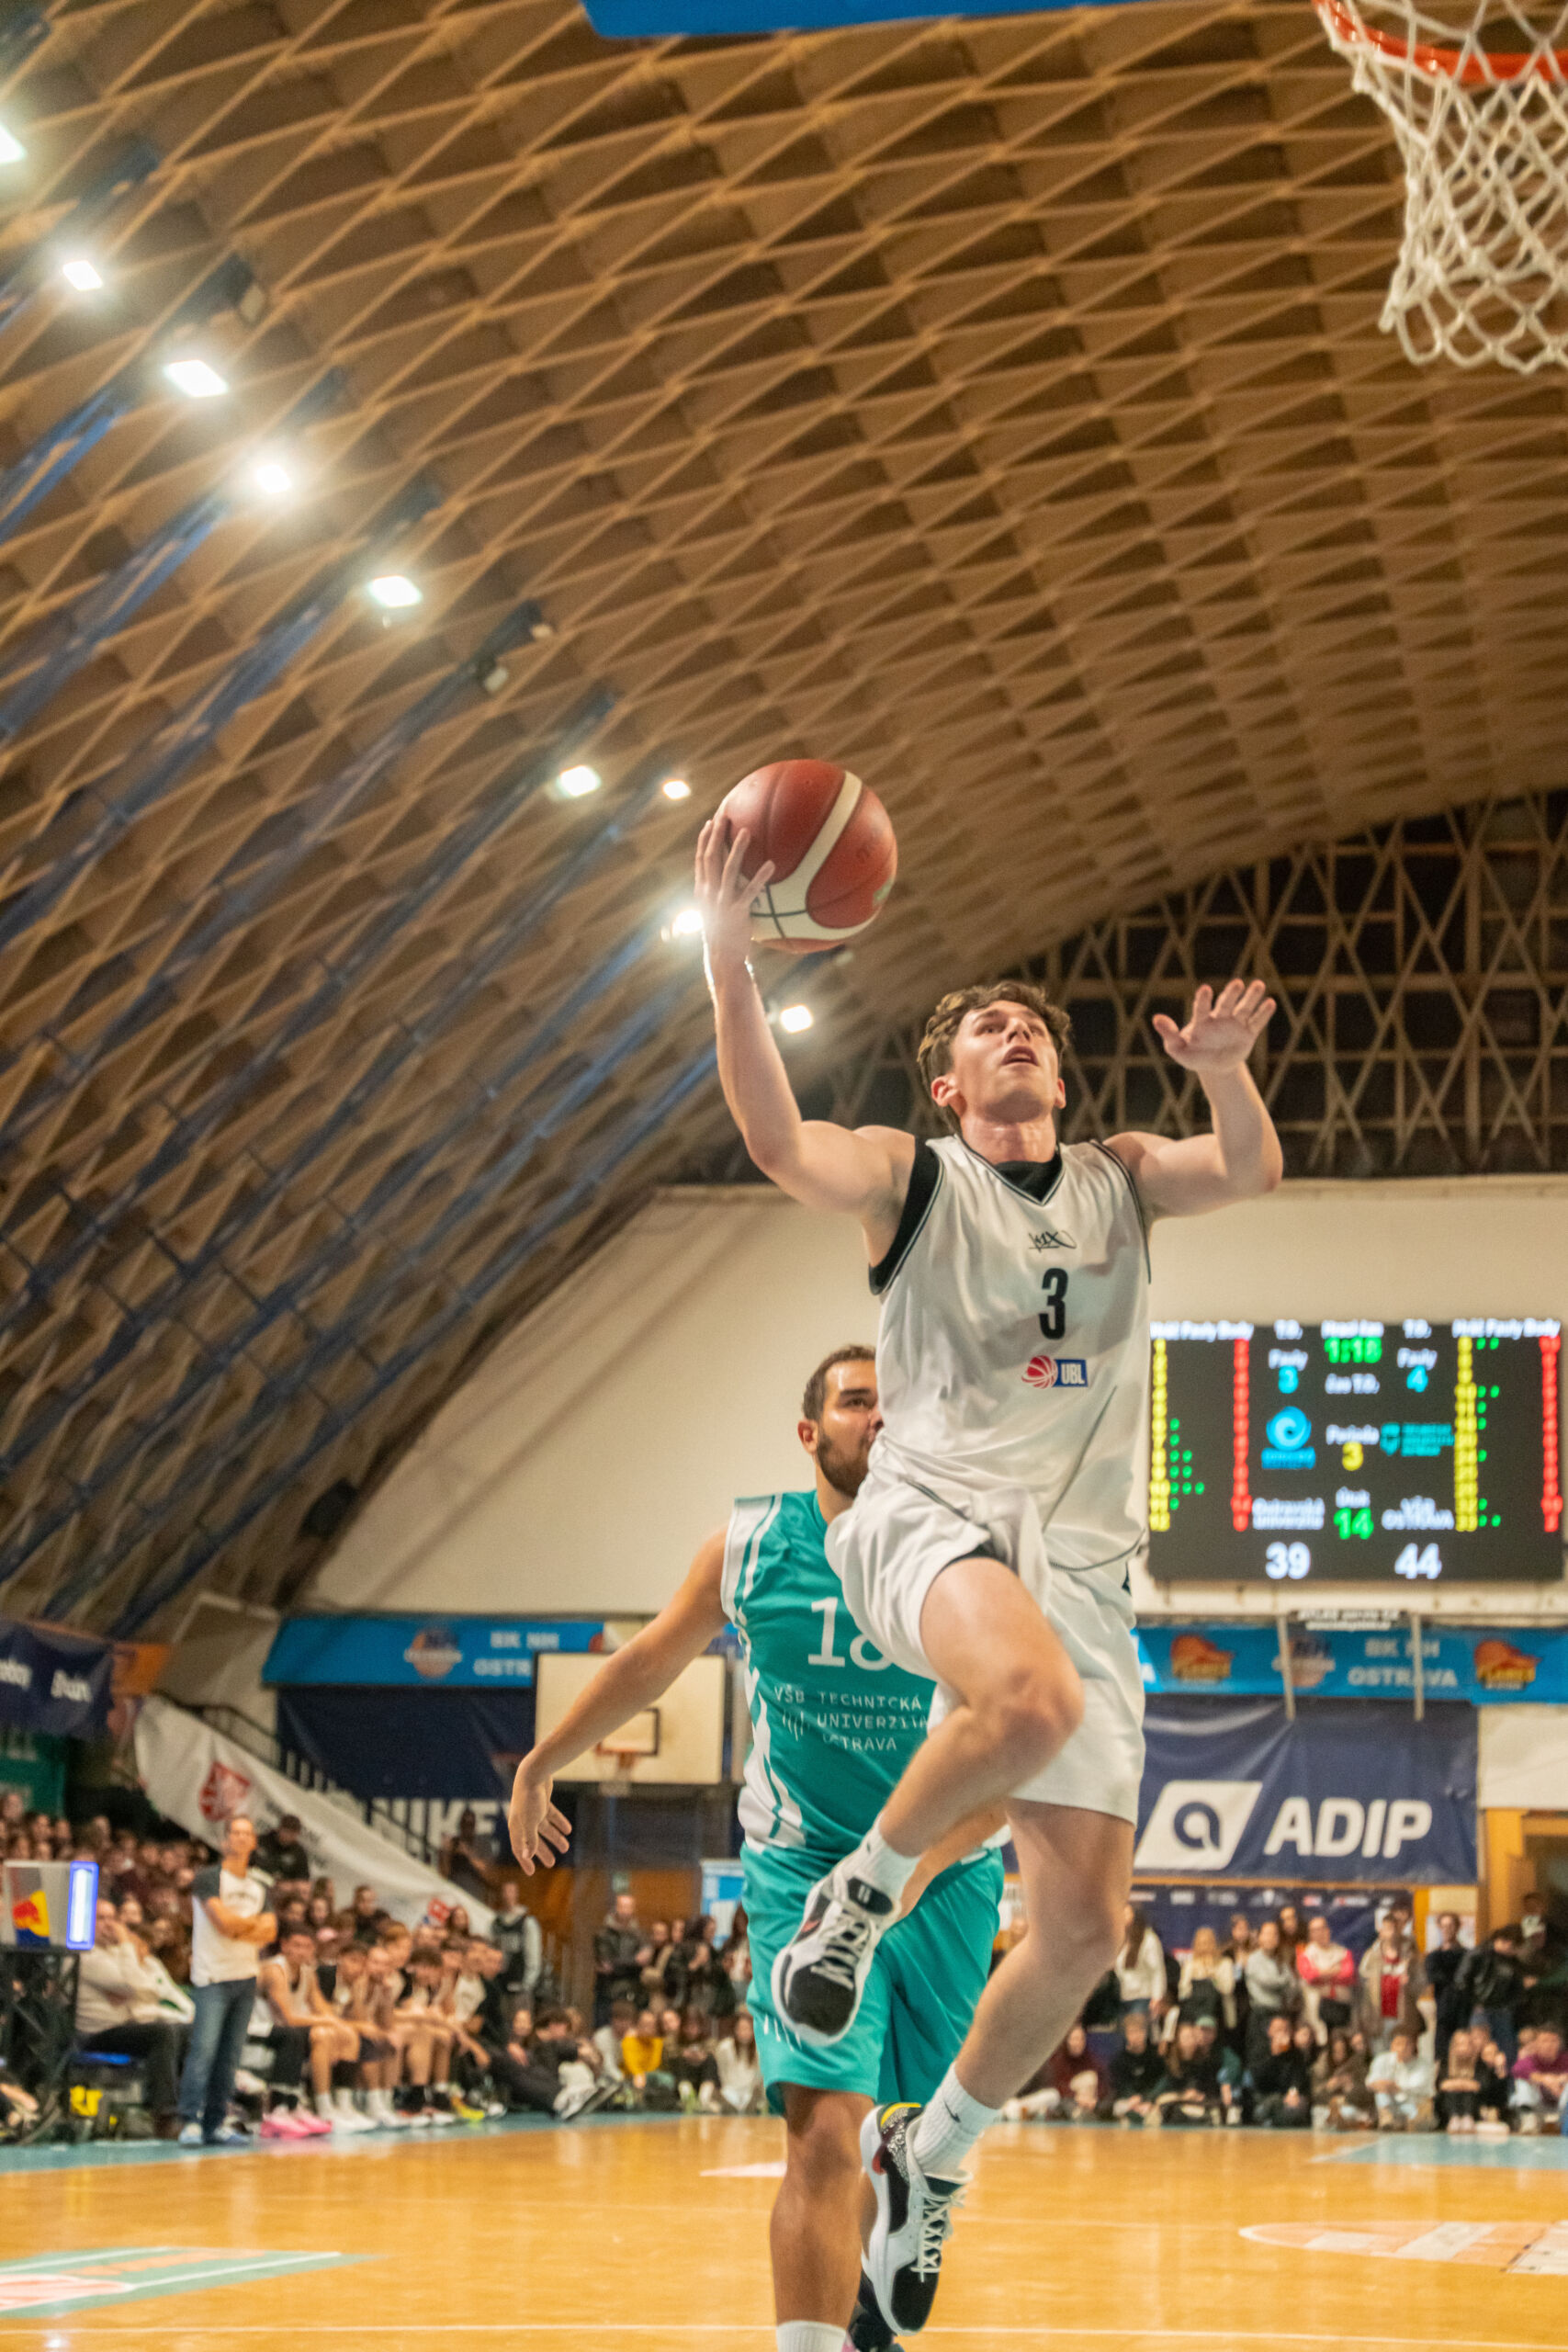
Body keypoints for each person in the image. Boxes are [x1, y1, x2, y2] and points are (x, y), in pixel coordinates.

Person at [693, 817, 1280, 2332]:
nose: (1014, 1035)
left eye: (1033, 1028)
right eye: (982, 1032)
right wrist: (725, 953)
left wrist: (1223, 1072)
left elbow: (1247, 1166)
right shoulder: (910, 1177)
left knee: (1082, 1930)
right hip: (929, 1517)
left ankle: (935, 2154)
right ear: (947, 1088)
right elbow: (778, 1142)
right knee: (1025, 1701)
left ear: (1062, 1080)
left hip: (1082, 1564)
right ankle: (853, 1903)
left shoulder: (1120, 1176)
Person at [508, 1344, 1006, 2352]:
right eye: (856, 1401)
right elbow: (651, 1657)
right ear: (810, 1432)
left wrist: (903, 1879)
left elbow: (1013, 1760)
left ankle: (871, 2307)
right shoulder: (750, 1544)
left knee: (904, 2140)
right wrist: (541, 1760)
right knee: (823, 2132)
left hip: (944, 1867)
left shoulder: (973, 1552)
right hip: (802, 1863)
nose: (878, 1417)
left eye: (892, 1403)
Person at [176, 1814, 275, 2145]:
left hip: (245, 1977)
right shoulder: (209, 1877)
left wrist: (239, 1927)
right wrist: (249, 1926)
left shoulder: (260, 1886)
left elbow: (270, 1931)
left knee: (230, 2056)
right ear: (224, 1840)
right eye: (236, 1833)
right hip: (212, 1976)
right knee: (203, 2050)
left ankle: (216, 2121)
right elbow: (222, 1923)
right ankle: (190, 2120)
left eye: (247, 1833)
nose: (241, 1838)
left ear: (254, 1842)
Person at [75, 1898, 188, 2134]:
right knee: (161, 2033)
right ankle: (162, 2114)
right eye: (100, 1918)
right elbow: (133, 1985)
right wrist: (127, 1944)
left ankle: (189, 2107)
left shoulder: (114, 1953)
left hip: (123, 2024)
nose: (109, 1925)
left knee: (187, 2032)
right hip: (96, 2033)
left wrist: (128, 1990)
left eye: (112, 1918)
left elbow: (149, 1989)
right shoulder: (87, 1954)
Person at [258, 1925, 374, 2134]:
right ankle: (324, 2106)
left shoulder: (307, 1972)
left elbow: (323, 2009)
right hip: (264, 2030)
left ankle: (343, 2105)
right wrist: (331, 2023)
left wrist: (341, 2026)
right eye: (297, 1945)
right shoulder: (275, 1970)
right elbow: (288, 2017)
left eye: (307, 1946)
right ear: (284, 1946)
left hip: (293, 2032)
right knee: (322, 2034)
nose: (302, 1951)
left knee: (346, 2034)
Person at [1457, 1927, 1527, 2063]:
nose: (1514, 1952)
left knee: (1507, 2049)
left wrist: (1510, 2004)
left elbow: (1517, 1988)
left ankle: (1504, 2075)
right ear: (1506, 1942)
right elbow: (1461, 1981)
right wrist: (1474, 2002)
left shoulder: (1512, 1961)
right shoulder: (1478, 1954)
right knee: (1480, 2047)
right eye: (1513, 1947)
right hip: (1480, 2008)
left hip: (1502, 2008)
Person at [1359, 1920, 1425, 2052]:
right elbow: (1362, 1979)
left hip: (1403, 2018)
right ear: (1381, 1932)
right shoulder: (1371, 1956)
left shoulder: (1410, 1955)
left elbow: (1422, 1984)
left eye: (1395, 1929)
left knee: (1402, 2056)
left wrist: (1409, 1983)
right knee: (1380, 2056)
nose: (1392, 1933)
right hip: (1378, 2018)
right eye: (1388, 1929)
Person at [1243, 1920, 1299, 2064]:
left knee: (1282, 2054)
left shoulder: (1281, 1961)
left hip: (1279, 2013)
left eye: (1274, 1934)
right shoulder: (1253, 1959)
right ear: (1260, 1937)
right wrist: (1284, 1981)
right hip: (1260, 2014)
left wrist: (1286, 1984)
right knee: (1260, 2055)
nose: (1271, 1938)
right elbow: (1268, 1982)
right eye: (1267, 1934)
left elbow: (1293, 1986)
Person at [1296, 1915, 1355, 2042]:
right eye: (1314, 1930)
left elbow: (1348, 1975)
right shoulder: (1305, 1954)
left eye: (1322, 1929)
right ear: (1310, 1934)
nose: (1319, 1933)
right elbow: (1310, 1976)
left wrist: (1321, 1974)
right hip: (1316, 2009)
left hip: (1340, 2005)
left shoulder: (1342, 1952)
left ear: (1328, 1930)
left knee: (1341, 2041)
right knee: (1320, 2039)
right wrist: (1334, 1970)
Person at [1424, 1910, 1469, 2075]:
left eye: (1450, 1925)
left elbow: (1468, 1980)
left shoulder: (1467, 1954)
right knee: (1442, 2052)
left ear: (1457, 1928)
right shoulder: (1433, 1956)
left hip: (1464, 2009)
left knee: (1463, 2047)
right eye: (1443, 1926)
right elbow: (1434, 1978)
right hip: (1443, 2009)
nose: (1447, 1929)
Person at [1154, 2020, 1223, 2127]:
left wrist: (1198, 2094)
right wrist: (1182, 2095)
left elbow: (1210, 2086)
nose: (1190, 2041)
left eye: (1193, 2037)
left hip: (1199, 2101)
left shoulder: (1204, 2061)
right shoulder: (1171, 2062)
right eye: (1186, 2037)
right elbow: (1164, 2087)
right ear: (1178, 2040)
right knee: (1162, 2103)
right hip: (1177, 2099)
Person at [1248, 2013, 1312, 2128]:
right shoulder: (1259, 2051)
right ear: (1269, 2032)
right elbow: (1258, 2079)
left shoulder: (1295, 2053)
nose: (1282, 2033)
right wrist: (1275, 2055)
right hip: (1264, 2098)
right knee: (1265, 2109)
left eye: (1286, 2030)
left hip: (1286, 2098)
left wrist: (1293, 2092)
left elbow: (1298, 2077)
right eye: (1278, 2030)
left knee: (1297, 2108)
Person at [1173, 1925, 1235, 2040]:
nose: (1205, 1947)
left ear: (1214, 1944)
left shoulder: (1225, 1963)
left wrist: (1213, 1976)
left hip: (1219, 2012)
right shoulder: (1189, 1965)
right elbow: (1183, 1993)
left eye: (1208, 1943)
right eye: (1201, 1943)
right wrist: (1197, 1976)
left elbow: (1228, 1989)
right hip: (1194, 2010)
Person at [1367, 2029, 1434, 2131]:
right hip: (1390, 2103)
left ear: (1414, 2045)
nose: (1403, 2048)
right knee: (1381, 2094)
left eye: (1407, 2044)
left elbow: (1415, 2086)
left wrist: (1393, 2086)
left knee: (1416, 2119)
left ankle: (1412, 2121)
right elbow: (1371, 2082)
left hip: (1413, 2103)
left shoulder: (1423, 2064)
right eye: (1399, 2044)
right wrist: (1382, 2085)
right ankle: (1387, 2120)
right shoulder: (1382, 2060)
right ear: (1392, 2045)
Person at [1105, 2010, 1163, 2124]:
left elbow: (1160, 2082)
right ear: (1126, 2035)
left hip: (1151, 2100)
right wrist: (1132, 2098)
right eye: (1132, 2032)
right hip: (1128, 2101)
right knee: (1117, 2107)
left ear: (1145, 2033)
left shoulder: (1155, 2056)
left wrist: (1146, 2098)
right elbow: (1120, 2085)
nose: (1136, 2036)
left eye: (1139, 2031)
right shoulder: (1118, 2060)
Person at [594, 1893, 644, 2024]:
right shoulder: (603, 1934)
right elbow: (607, 1964)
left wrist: (624, 1964)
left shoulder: (639, 1935)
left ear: (633, 1909)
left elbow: (644, 1963)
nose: (625, 1911)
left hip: (632, 1992)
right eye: (622, 1906)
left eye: (629, 1907)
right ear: (616, 1908)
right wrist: (634, 1962)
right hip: (607, 1991)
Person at [491, 1880, 543, 2002]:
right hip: (499, 1983)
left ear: (517, 1894)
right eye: (505, 1891)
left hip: (520, 1983)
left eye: (511, 1891)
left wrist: (528, 1983)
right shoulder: (496, 1922)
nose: (507, 1895)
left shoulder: (527, 1922)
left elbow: (533, 1953)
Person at [1511, 2023, 1568, 2133]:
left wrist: (1560, 2079)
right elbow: (1517, 2070)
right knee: (1522, 2082)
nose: (1549, 2045)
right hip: (1538, 2108)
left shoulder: (1565, 2058)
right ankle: (1528, 2122)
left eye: (1553, 2041)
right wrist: (1545, 2079)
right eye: (1544, 2041)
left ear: (1559, 2043)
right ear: (1536, 2044)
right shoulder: (1530, 2059)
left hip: (1562, 2107)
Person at [1313, 2030, 1373, 2131]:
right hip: (1327, 2107)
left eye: (1343, 2051)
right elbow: (1315, 2094)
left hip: (1351, 2107)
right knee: (1318, 2113)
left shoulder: (1357, 2065)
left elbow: (1367, 2095)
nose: (1340, 2055)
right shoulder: (1322, 2067)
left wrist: (1350, 2087)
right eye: (1336, 2051)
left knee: (1349, 2113)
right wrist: (1328, 2087)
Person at [1113, 1905, 1165, 2020]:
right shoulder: (1122, 1939)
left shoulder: (1148, 1939)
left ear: (1135, 1915)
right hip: (1124, 1996)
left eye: (1127, 1914)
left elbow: (1157, 1971)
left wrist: (1157, 1997)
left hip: (1142, 1997)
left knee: (1137, 2029)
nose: (1123, 1917)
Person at [717, 2012, 765, 2114]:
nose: (744, 2033)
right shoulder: (725, 2047)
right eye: (741, 2029)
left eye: (747, 2029)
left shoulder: (759, 2050)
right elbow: (721, 2072)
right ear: (735, 2030)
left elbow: (759, 2076)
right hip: (730, 2091)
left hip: (750, 2092)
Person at [1435, 2030, 1482, 2133]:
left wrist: (1456, 2083)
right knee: (1451, 2092)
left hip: (1473, 2108)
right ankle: (1454, 2117)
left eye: (1467, 2044)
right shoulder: (1445, 2063)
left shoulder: (1479, 2063)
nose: (1464, 2048)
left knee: (1467, 2093)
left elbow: (1480, 2085)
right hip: (1449, 2107)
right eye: (1460, 2044)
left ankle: (1467, 2117)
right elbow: (1441, 2085)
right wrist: (1465, 2084)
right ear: (1454, 2046)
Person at [254, 1814, 310, 1883]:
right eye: (286, 1831)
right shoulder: (263, 1840)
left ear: (297, 1834)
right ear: (279, 1828)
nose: (287, 1836)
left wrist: (288, 1885)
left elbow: (303, 1881)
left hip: (277, 1886)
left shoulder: (299, 1854)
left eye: (292, 1833)